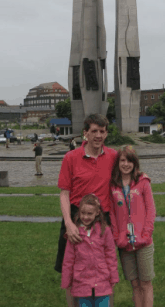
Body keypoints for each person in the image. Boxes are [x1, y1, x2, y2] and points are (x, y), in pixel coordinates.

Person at [55, 114, 117, 307]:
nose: (98, 135)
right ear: (85, 134)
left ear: (106, 134)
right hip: (75, 217)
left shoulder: (113, 157)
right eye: (94, 131)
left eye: (102, 131)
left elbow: (129, 169)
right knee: (73, 273)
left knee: (105, 272)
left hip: (102, 220)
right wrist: (68, 224)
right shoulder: (71, 158)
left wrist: (143, 176)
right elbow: (64, 193)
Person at [109, 146, 156, 307]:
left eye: (129, 160)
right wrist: (117, 237)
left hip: (144, 241)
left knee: (145, 284)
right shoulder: (113, 185)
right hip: (125, 243)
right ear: (118, 163)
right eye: (122, 160)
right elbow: (112, 215)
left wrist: (146, 234)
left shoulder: (142, 182)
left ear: (135, 163)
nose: (126, 164)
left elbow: (151, 210)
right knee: (135, 285)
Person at [62, 194, 119, 307]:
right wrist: (66, 280)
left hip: (102, 281)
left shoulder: (105, 231)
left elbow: (111, 255)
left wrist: (113, 276)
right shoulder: (74, 233)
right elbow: (68, 259)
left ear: (97, 213)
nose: (85, 217)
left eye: (89, 214)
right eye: (83, 213)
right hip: (82, 282)